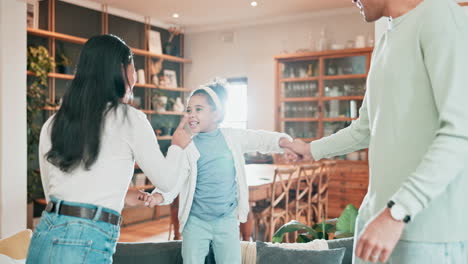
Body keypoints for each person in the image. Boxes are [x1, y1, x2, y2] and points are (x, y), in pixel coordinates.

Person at [283, 0, 468, 263]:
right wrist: (311, 150)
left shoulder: (440, 15)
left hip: (425, 234)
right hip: (376, 222)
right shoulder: (385, 39)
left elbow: (460, 133)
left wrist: (397, 212)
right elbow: (364, 129)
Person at [26, 34, 191, 264]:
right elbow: (167, 181)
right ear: (122, 69)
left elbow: (55, 193)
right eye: (133, 66)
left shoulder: (53, 123)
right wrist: (177, 147)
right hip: (87, 239)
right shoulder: (129, 118)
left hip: (45, 235)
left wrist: (119, 197)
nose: (134, 75)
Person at [139, 79, 296, 264]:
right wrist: (158, 196)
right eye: (189, 110)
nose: (191, 114)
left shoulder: (232, 137)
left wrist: (285, 142)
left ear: (216, 113)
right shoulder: (187, 144)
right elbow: (175, 177)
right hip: (195, 223)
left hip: (227, 222)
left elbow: (260, 139)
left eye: (199, 109)